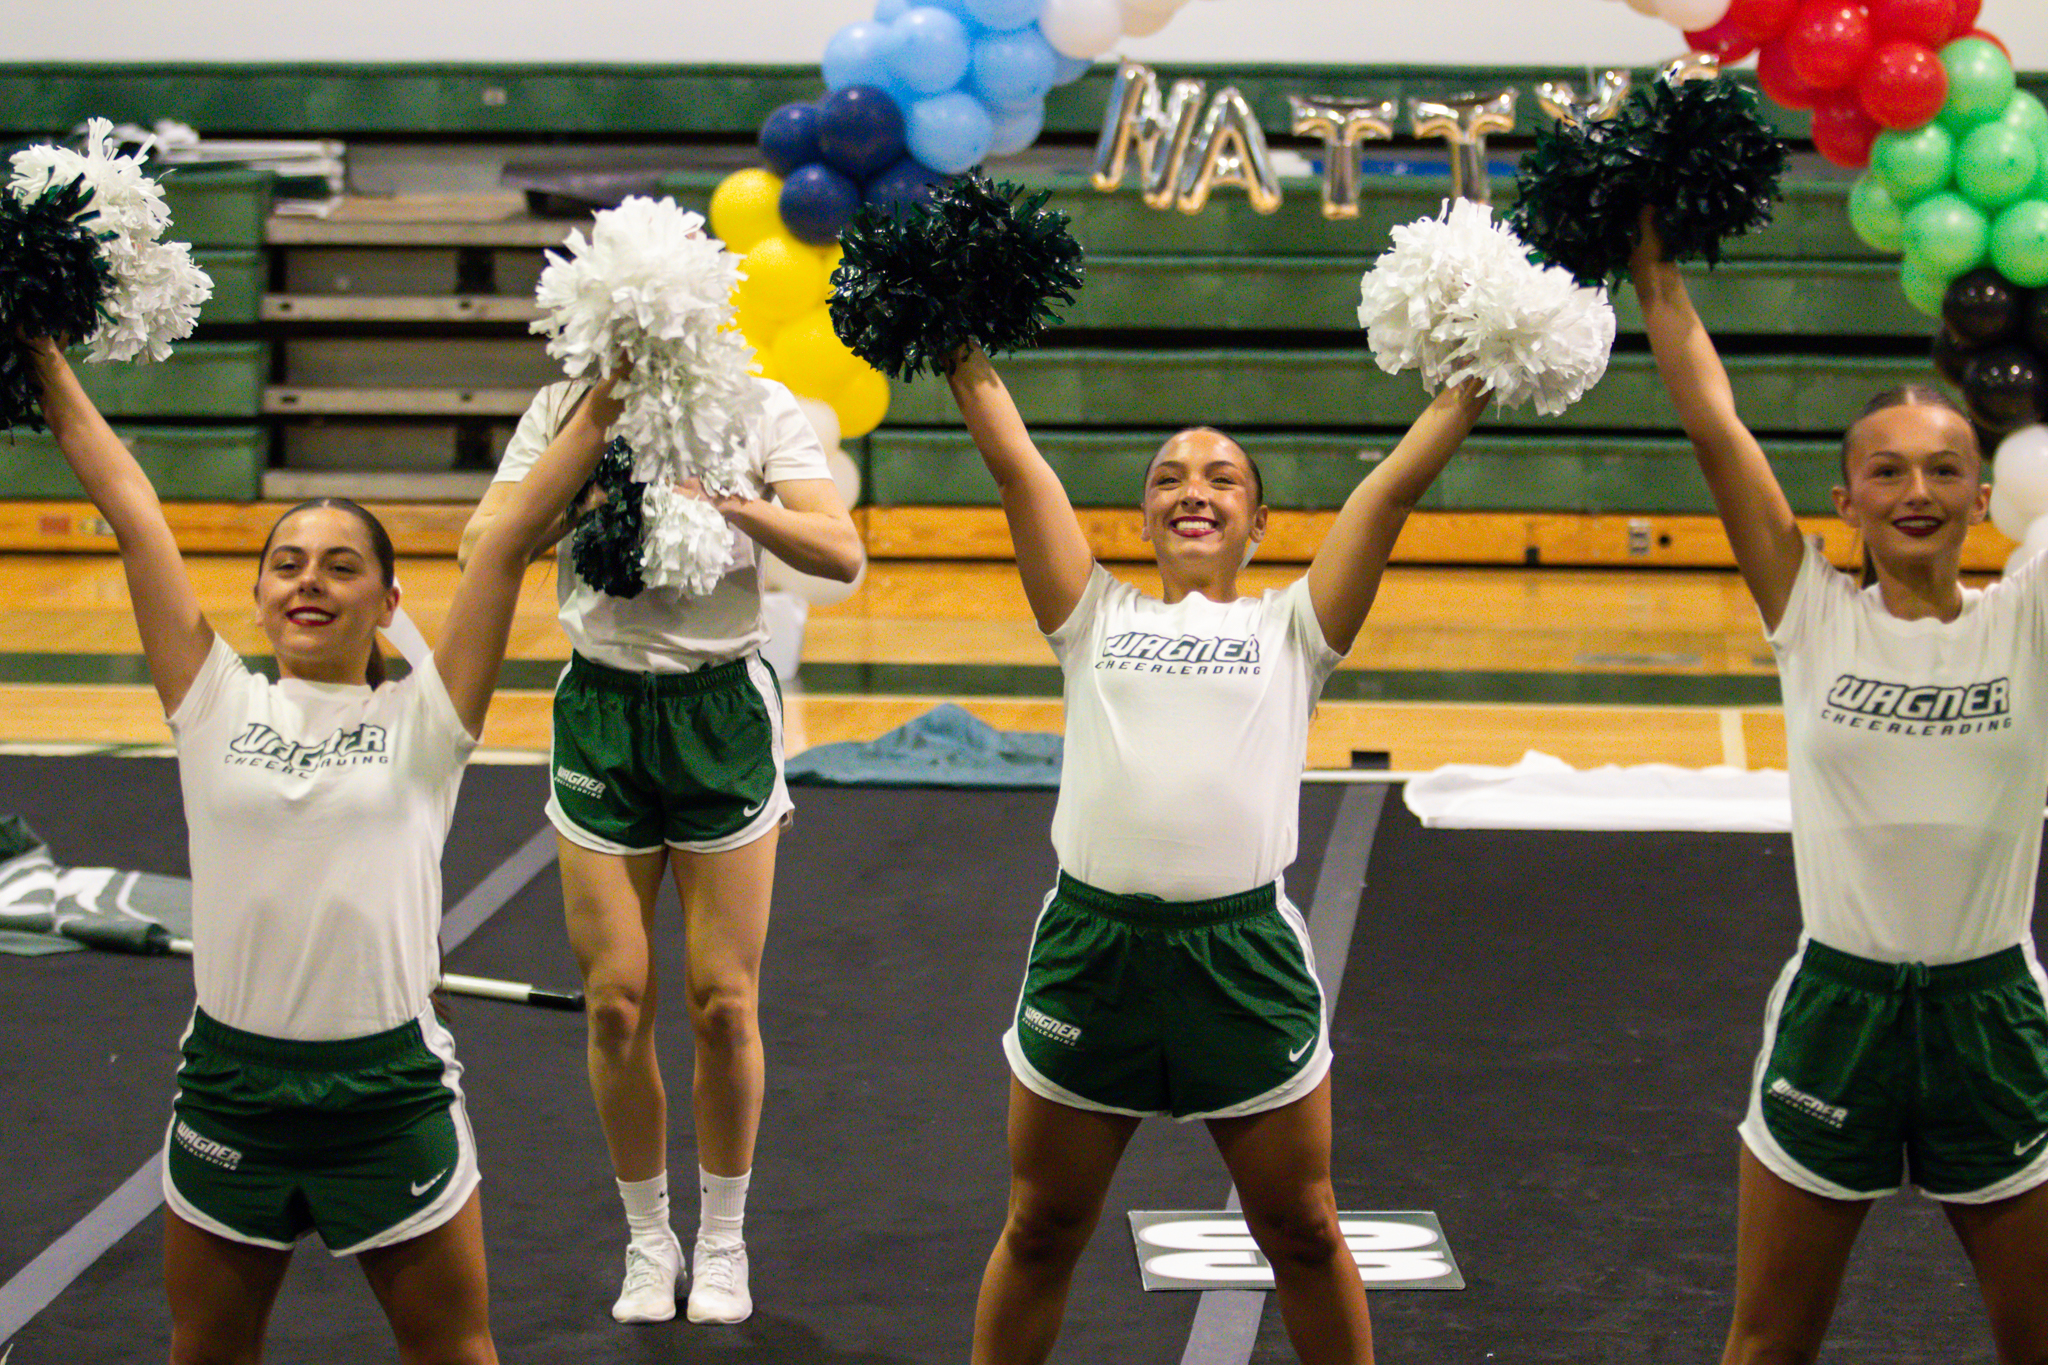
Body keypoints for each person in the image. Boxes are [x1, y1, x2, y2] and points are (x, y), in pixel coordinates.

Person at [28, 335, 624, 1365]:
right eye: (286, 566)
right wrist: (39, 352)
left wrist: (617, 385)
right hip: (229, 1089)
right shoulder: (213, 700)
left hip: (386, 1095)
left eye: (341, 567)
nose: (308, 583)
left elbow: (506, 540)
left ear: (388, 605)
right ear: (258, 595)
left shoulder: (427, 719)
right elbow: (132, 509)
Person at [944, 342, 1486, 1365]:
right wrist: (960, 348)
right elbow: (1018, 469)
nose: (1192, 491)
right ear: (1142, 519)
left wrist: (1465, 392)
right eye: (1167, 479)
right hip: (1089, 956)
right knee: (1041, 1229)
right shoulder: (1090, 613)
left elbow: (1388, 492)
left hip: (1239, 960)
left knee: (1303, 1231)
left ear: (1257, 521)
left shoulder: (1295, 626)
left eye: (1220, 477)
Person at [1630, 219, 2048, 1364]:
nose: (1914, 489)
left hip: (1993, 1024)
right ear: (1845, 499)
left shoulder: (2029, 616)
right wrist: (1651, 265)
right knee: (1766, 1345)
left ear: (1980, 497)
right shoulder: (1810, 613)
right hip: (1837, 1017)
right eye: (1885, 470)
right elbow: (1713, 426)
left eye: (1943, 469)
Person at [459, 374, 861, 1324]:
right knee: (615, 1003)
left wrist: (727, 502)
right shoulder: (563, 404)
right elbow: (485, 546)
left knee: (724, 1002)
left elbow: (840, 550)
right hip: (601, 709)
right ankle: (649, 1237)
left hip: (719, 711)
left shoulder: (758, 403)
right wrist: (581, 484)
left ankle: (725, 1238)